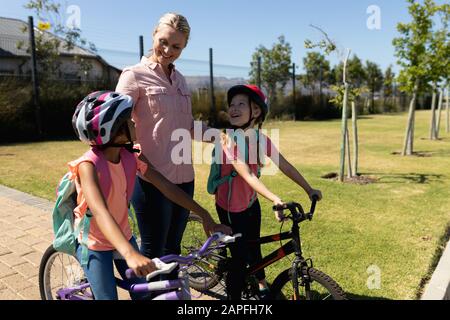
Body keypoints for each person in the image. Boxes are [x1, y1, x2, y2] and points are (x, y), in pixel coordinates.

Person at [70, 91, 229, 300]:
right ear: (115, 132)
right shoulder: (88, 166)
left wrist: (204, 215)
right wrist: (130, 254)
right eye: (129, 121)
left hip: (123, 236)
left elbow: (166, 186)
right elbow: (100, 212)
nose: (134, 123)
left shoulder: (132, 155)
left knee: (145, 295)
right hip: (95, 243)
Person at [115, 13, 223, 275]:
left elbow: (187, 126)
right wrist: (139, 161)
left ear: (183, 47)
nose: (168, 50)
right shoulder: (133, 76)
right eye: (163, 42)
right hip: (150, 180)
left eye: (176, 47)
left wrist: (221, 136)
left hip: (185, 178)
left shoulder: (181, 80)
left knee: (174, 251)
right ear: (154, 34)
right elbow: (118, 127)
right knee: (152, 254)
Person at [210, 84, 323, 300]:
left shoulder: (260, 139)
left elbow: (285, 165)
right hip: (231, 207)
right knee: (239, 259)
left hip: (250, 202)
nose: (233, 108)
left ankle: (261, 283)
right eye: (231, 104)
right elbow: (247, 175)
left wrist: (309, 189)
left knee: (255, 245)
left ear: (256, 111)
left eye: (240, 104)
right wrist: (274, 198)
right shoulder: (228, 140)